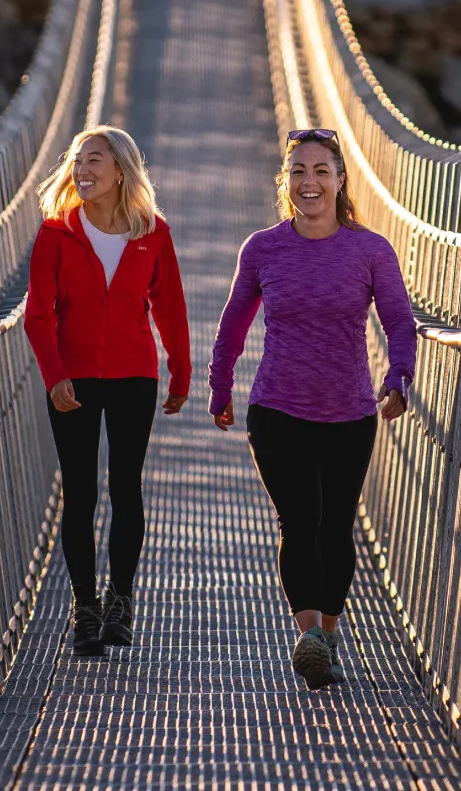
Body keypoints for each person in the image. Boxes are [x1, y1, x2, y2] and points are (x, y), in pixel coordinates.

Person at [208, 129, 416, 690]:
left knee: (336, 529)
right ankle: (308, 636)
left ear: (341, 180)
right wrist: (220, 386)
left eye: (321, 171)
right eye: (298, 171)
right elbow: (233, 323)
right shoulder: (262, 248)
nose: (310, 182)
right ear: (285, 181)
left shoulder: (371, 250)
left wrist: (398, 377)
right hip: (276, 409)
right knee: (299, 522)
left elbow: (399, 321)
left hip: (349, 413)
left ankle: (325, 632)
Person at [26, 125, 190, 657]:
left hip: (133, 377)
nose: (83, 170)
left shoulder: (153, 232)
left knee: (126, 487)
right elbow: (38, 316)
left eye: (94, 160)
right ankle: (85, 606)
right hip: (72, 379)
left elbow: (169, 308)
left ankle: (121, 602)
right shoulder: (55, 233)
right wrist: (54, 378)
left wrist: (181, 373)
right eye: (77, 161)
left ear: (121, 169)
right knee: (80, 493)